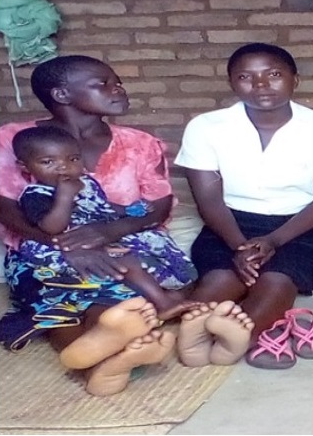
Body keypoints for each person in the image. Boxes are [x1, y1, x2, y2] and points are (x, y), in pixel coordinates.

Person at [0, 55, 190, 396]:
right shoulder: (15, 139)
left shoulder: (138, 143)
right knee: (58, 291)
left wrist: (108, 233)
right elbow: (7, 208)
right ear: (61, 94)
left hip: (124, 242)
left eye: (117, 81)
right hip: (43, 247)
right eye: (103, 83)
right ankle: (99, 364)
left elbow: (158, 207)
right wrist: (63, 245)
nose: (118, 89)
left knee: (122, 280)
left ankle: (101, 356)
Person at [174, 42, 313, 368]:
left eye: (273, 74)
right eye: (246, 77)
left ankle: (224, 340)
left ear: (294, 79)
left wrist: (273, 241)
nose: (261, 85)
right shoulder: (206, 127)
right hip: (230, 224)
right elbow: (209, 199)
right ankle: (221, 335)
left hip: (303, 225)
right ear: (232, 83)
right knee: (220, 283)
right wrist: (240, 247)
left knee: (276, 282)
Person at [12, 126, 199, 320]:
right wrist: (65, 196)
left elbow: (102, 205)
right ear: (25, 167)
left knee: (155, 239)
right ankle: (162, 303)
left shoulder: (86, 182)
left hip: (97, 233)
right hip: (67, 244)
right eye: (48, 162)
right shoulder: (35, 194)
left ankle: (174, 287)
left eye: (73, 159)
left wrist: (129, 211)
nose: (64, 167)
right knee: (124, 260)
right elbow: (51, 227)